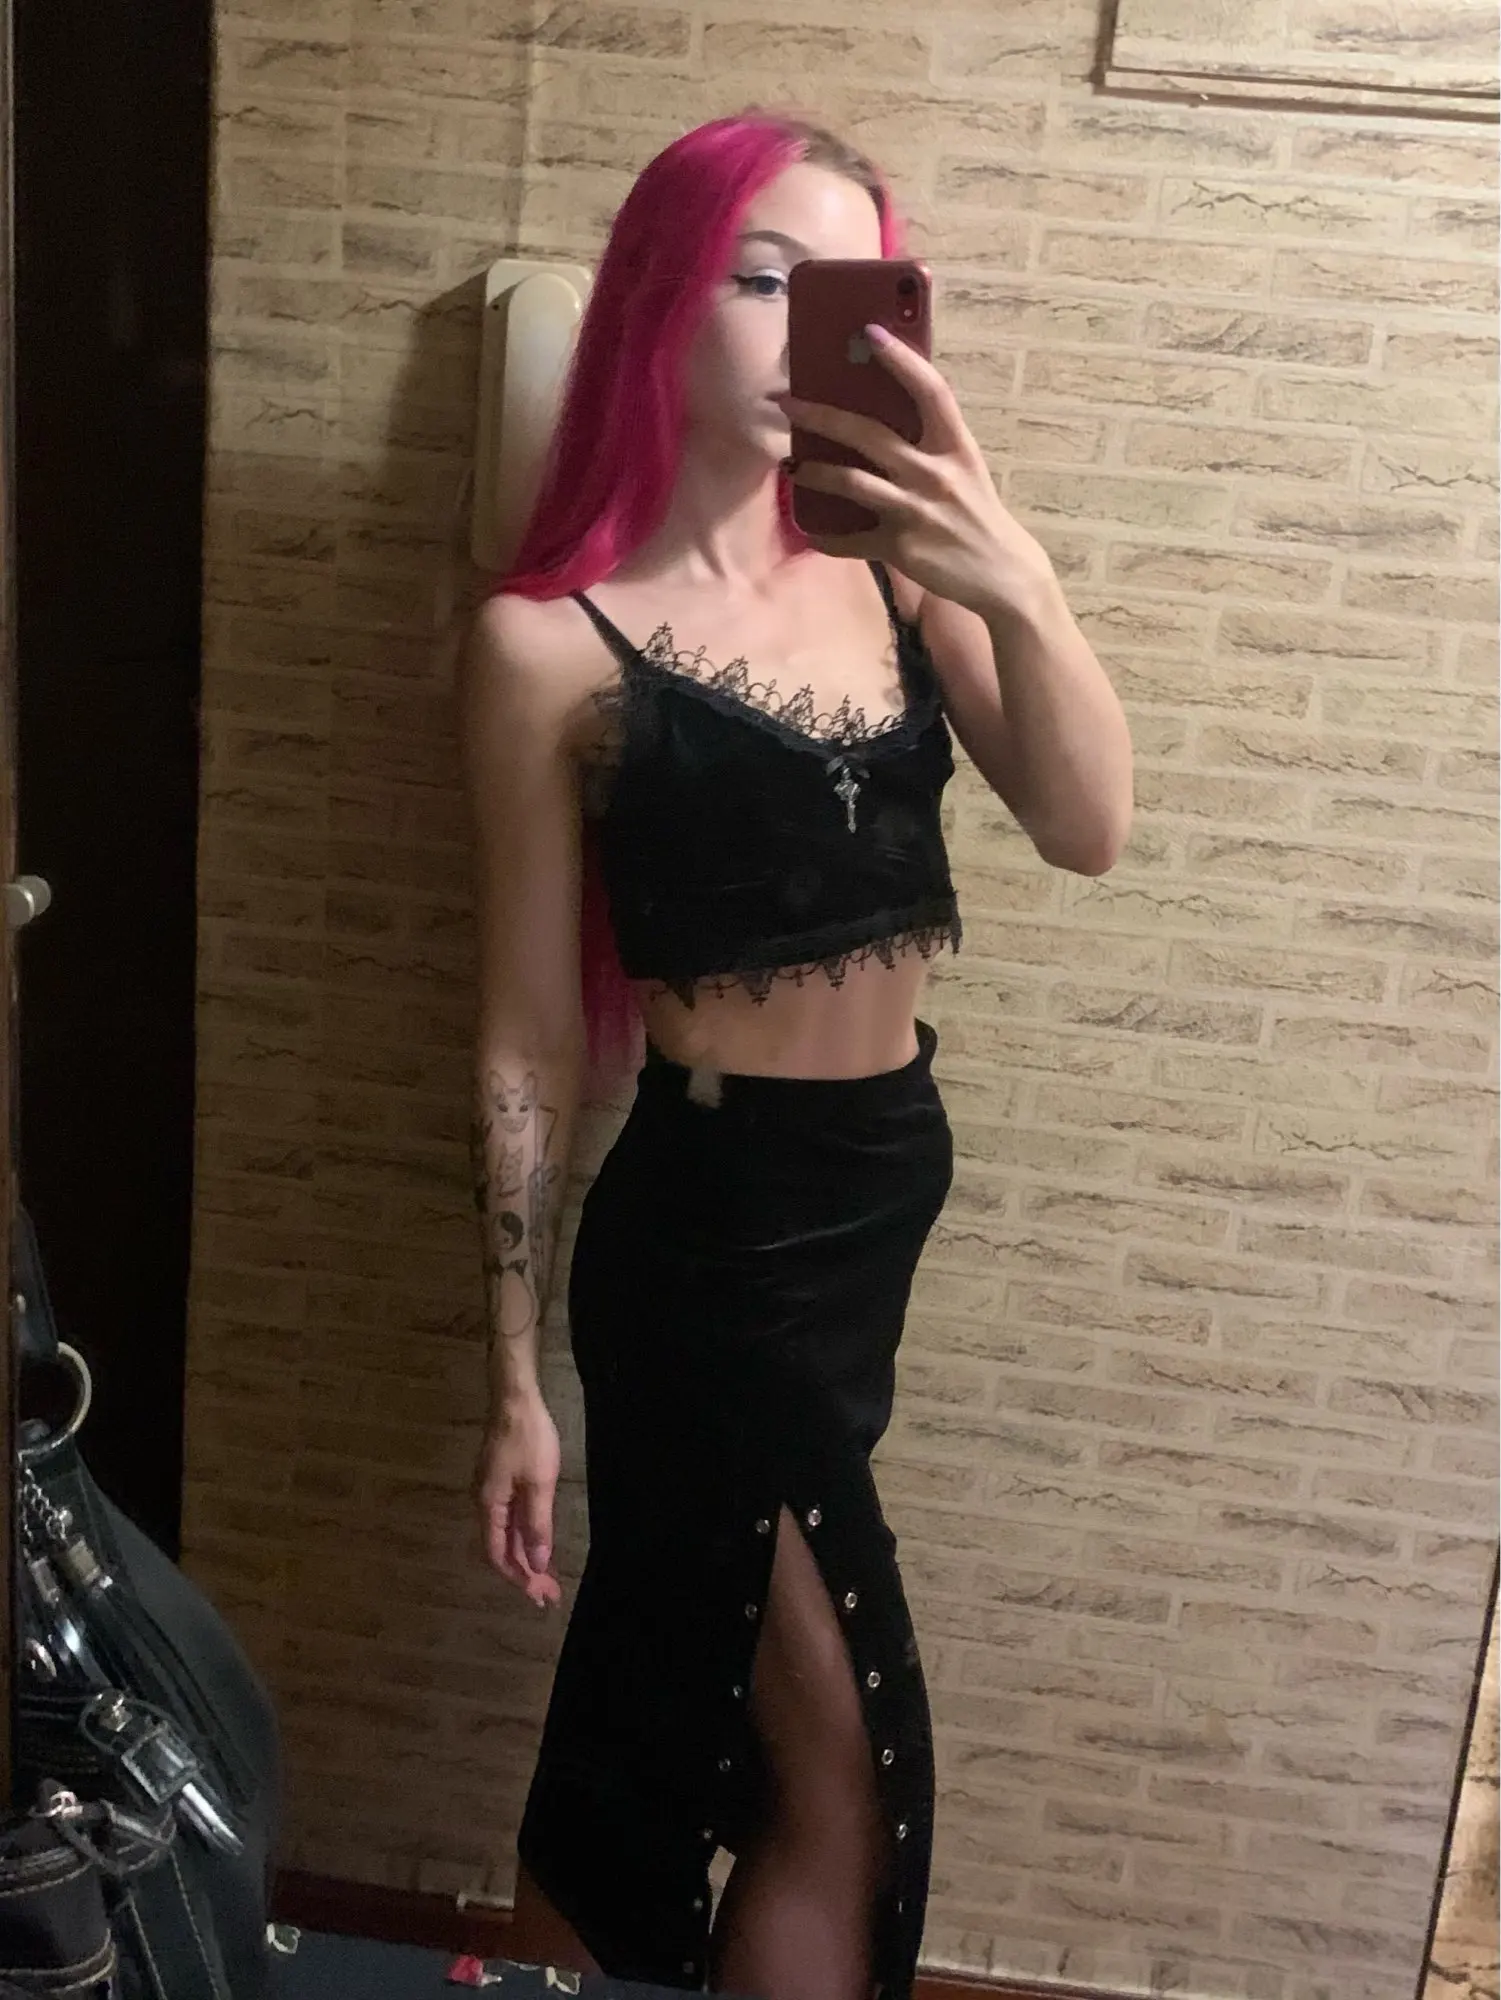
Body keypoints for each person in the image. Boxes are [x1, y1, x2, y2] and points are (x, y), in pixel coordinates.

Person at [459, 111, 1132, 2000]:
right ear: (661, 301)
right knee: (848, 1765)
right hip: (708, 1247)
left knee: (677, 1697)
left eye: (840, 293)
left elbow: (1088, 825)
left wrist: (1014, 572)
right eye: (758, 279)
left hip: (870, 1210)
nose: (795, 330)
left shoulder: (898, 575)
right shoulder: (545, 645)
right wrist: (511, 1375)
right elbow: (524, 1031)